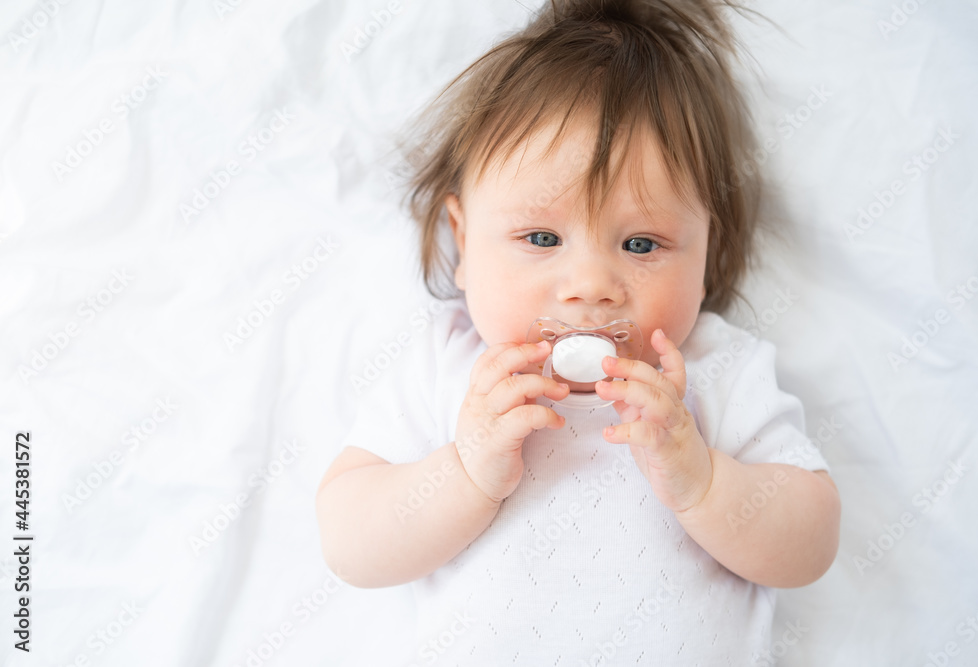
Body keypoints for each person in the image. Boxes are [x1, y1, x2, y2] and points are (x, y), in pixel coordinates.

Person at [316, 0, 841, 663]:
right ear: (463, 241)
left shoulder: (718, 369)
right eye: (542, 238)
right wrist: (465, 471)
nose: (591, 285)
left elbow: (811, 545)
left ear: (707, 253)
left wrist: (704, 482)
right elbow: (347, 541)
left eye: (641, 243)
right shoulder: (445, 363)